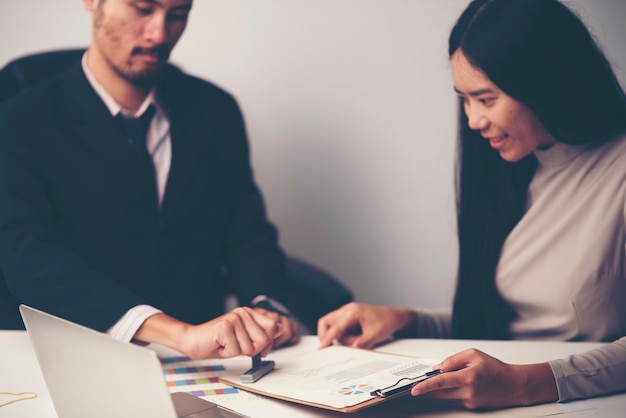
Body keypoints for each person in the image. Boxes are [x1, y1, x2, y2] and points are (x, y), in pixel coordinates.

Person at [318, 0, 626, 410]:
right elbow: (511, 320)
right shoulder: (515, 166)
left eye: (485, 99)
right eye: (463, 99)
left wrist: (524, 384)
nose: (473, 121)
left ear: (545, 83)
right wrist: (411, 319)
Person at [0, 0, 300, 360]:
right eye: (143, 8)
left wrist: (266, 307)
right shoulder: (18, 121)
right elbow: (28, 258)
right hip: (69, 349)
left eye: (178, 14)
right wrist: (178, 333)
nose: (160, 34)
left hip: (205, 360)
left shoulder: (215, 110)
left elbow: (247, 233)